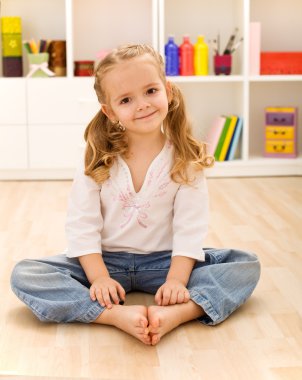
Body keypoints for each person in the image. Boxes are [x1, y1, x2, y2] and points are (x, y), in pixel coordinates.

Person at [11, 44, 260, 346]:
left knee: (245, 264)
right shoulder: (96, 157)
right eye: (126, 99)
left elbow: (189, 228)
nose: (142, 104)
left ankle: (180, 312)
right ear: (110, 111)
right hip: (105, 263)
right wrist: (99, 278)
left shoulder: (185, 157)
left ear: (168, 91)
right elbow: (82, 225)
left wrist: (176, 282)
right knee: (26, 274)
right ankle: (112, 315)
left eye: (151, 91)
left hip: (164, 263)